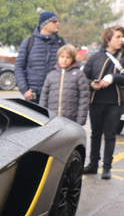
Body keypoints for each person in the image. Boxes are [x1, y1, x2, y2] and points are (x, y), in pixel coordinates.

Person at [82, 26, 124, 179]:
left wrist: (112, 78)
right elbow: (84, 76)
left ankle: (107, 167)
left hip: (115, 103)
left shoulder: (123, 56)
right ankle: (93, 165)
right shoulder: (94, 57)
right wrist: (91, 83)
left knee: (110, 135)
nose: (121, 40)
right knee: (95, 134)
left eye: (122, 37)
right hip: (96, 102)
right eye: (118, 37)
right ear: (108, 39)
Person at [15, 11, 65, 104]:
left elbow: (69, 67)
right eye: (54, 21)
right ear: (44, 25)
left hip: (55, 95)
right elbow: (19, 67)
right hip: (34, 96)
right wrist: (24, 89)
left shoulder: (61, 42)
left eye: (58, 21)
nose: (57, 23)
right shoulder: (29, 42)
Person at [40, 45, 90, 126]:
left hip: (71, 119)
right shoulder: (51, 75)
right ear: (58, 58)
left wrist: (80, 120)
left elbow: (84, 99)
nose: (64, 59)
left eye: (68, 57)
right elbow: (44, 97)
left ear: (73, 59)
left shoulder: (79, 75)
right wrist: (42, 116)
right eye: (62, 56)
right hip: (52, 119)